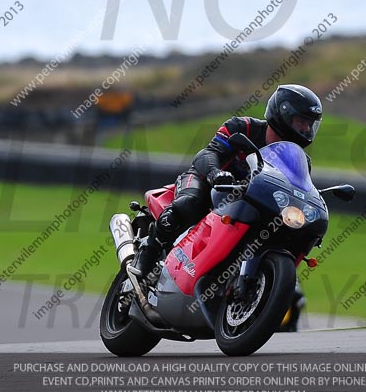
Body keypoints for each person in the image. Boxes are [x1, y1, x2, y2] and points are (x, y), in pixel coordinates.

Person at [129, 84, 323, 278]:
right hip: (209, 182)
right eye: (302, 121)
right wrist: (214, 173)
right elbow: (208, 153)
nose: (306, 128)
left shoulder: (301, 161)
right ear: (284, 114)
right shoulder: (242, 127)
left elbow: (299, 190)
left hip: (247, 204)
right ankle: (147, 254)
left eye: (310, 123)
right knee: (189, 204)